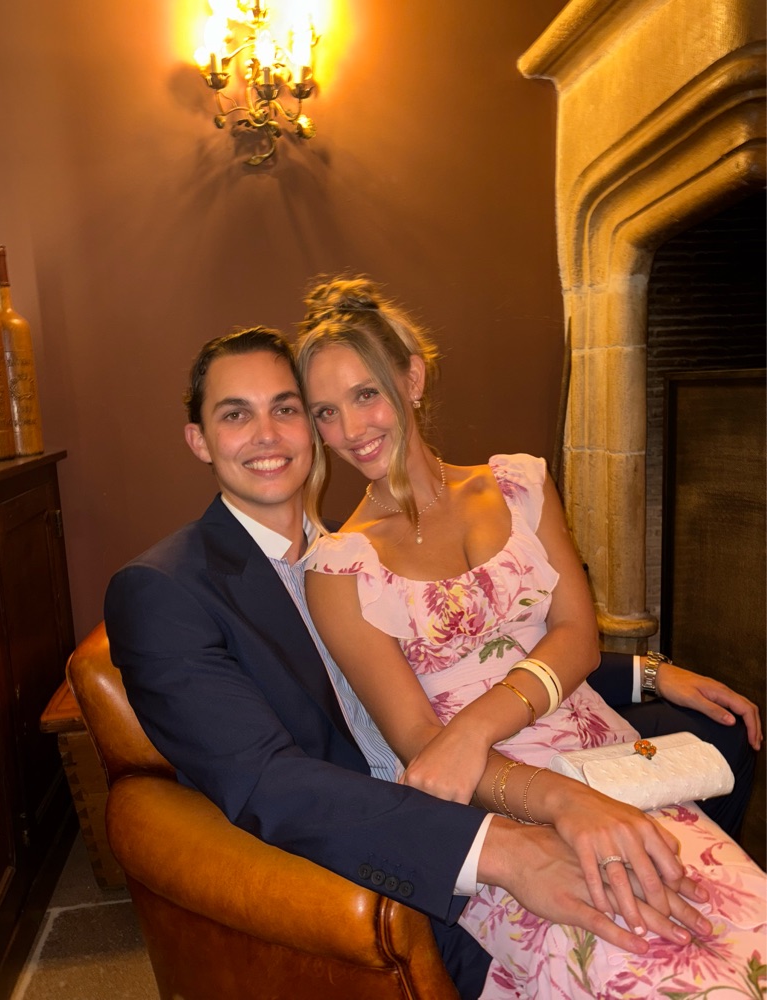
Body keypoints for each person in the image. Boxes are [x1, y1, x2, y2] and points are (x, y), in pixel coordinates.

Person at [104, 327, 725, 1000]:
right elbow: (265, 783)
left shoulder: (345, 552)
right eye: (234, 414)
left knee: (708, 890)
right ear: (198, 440)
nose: (266, 434)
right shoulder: (164, 588)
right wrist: (502, 848)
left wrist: (646, 674)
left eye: (285, 408)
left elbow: (471, 656)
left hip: (492, 774)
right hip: (415, 859)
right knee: (657, 959)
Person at [295, 276, 766, 999]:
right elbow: (423, 747)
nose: (351, 428)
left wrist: (473, 727)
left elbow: (577, 637)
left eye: (365, 394)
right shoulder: (338, 567)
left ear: (412, 379)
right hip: (490, 800)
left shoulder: (517, 485)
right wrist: (513, 775)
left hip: (606, 759)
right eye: (326, 412)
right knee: (643, 965)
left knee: (742, 922)